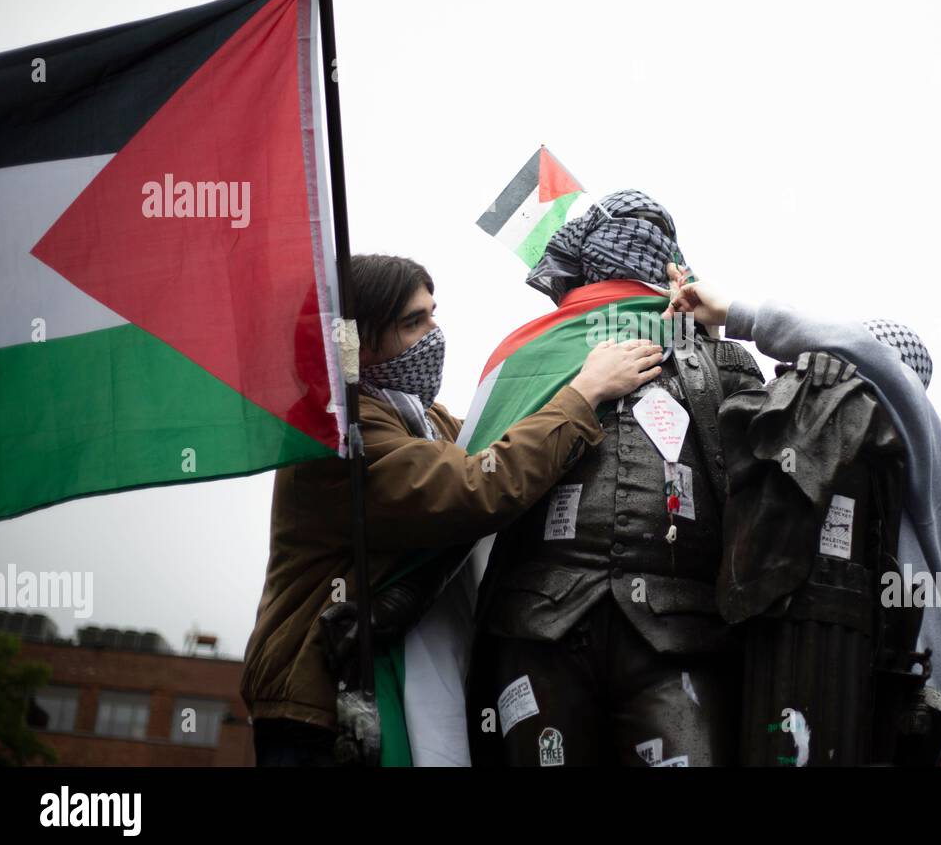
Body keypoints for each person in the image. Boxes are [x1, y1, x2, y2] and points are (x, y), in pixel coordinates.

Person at [241, 253, 663, 766]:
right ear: (358, 342)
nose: (434, 334)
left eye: (432, 315)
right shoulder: (338, 434)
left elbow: (510, 441)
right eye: (412, 322)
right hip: (320, 710)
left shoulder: (422, 418)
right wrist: (584, 391)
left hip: (375, 688)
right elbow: (478, 486)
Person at [465, 190, 765, 767]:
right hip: (537, 625)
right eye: (625, 228)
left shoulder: (720, 358)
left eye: (653, 229)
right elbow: (472, 484)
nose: (637, 240)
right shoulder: (531, 355)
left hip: (684, 633)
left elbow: (761, 486)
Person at [663, 263, 941, 765]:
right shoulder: (839, 453)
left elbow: (866, 354)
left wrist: (736, 312)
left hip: (926, 698)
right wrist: (699, 334)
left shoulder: (920, 436)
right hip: (832, 685)